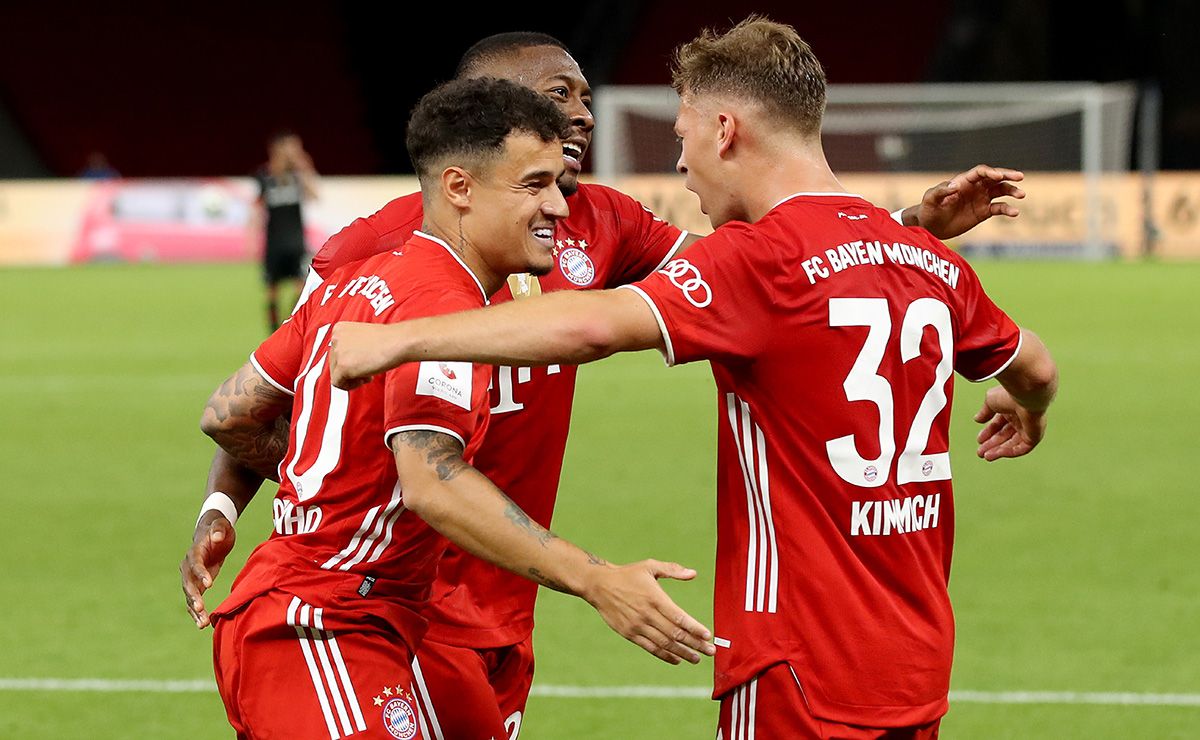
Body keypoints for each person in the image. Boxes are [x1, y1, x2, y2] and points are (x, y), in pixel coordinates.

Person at [189, 32, 1027, 740]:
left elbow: (766, 278)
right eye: (560, 96)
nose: (584, 115)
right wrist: (246, 502)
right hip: (391, 600)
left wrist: (901, 233)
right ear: (486, 118)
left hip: (506, 594)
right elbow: (293, 410)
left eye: (585, 97)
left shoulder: (595, 220)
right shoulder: (381, 260)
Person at [182, 78, 713, 739]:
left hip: (351, 618)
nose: (557, 205)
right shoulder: (440, 304)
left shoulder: (359, 281)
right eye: (533, 185)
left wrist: (328, 480)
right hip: (322, 626)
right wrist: (598, 580)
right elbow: (433, 482)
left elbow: (229, 415)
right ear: (460, 187)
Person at [254, 129, 318, 330]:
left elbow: (314, 195)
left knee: (301, 287)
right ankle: (273, 333)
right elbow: (257, 207)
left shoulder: (297, 176)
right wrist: (252, 235)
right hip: (274, 243)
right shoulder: (264, 176)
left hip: (296, 242)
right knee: (272, 291)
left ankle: (289, 325)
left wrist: (305, 167)